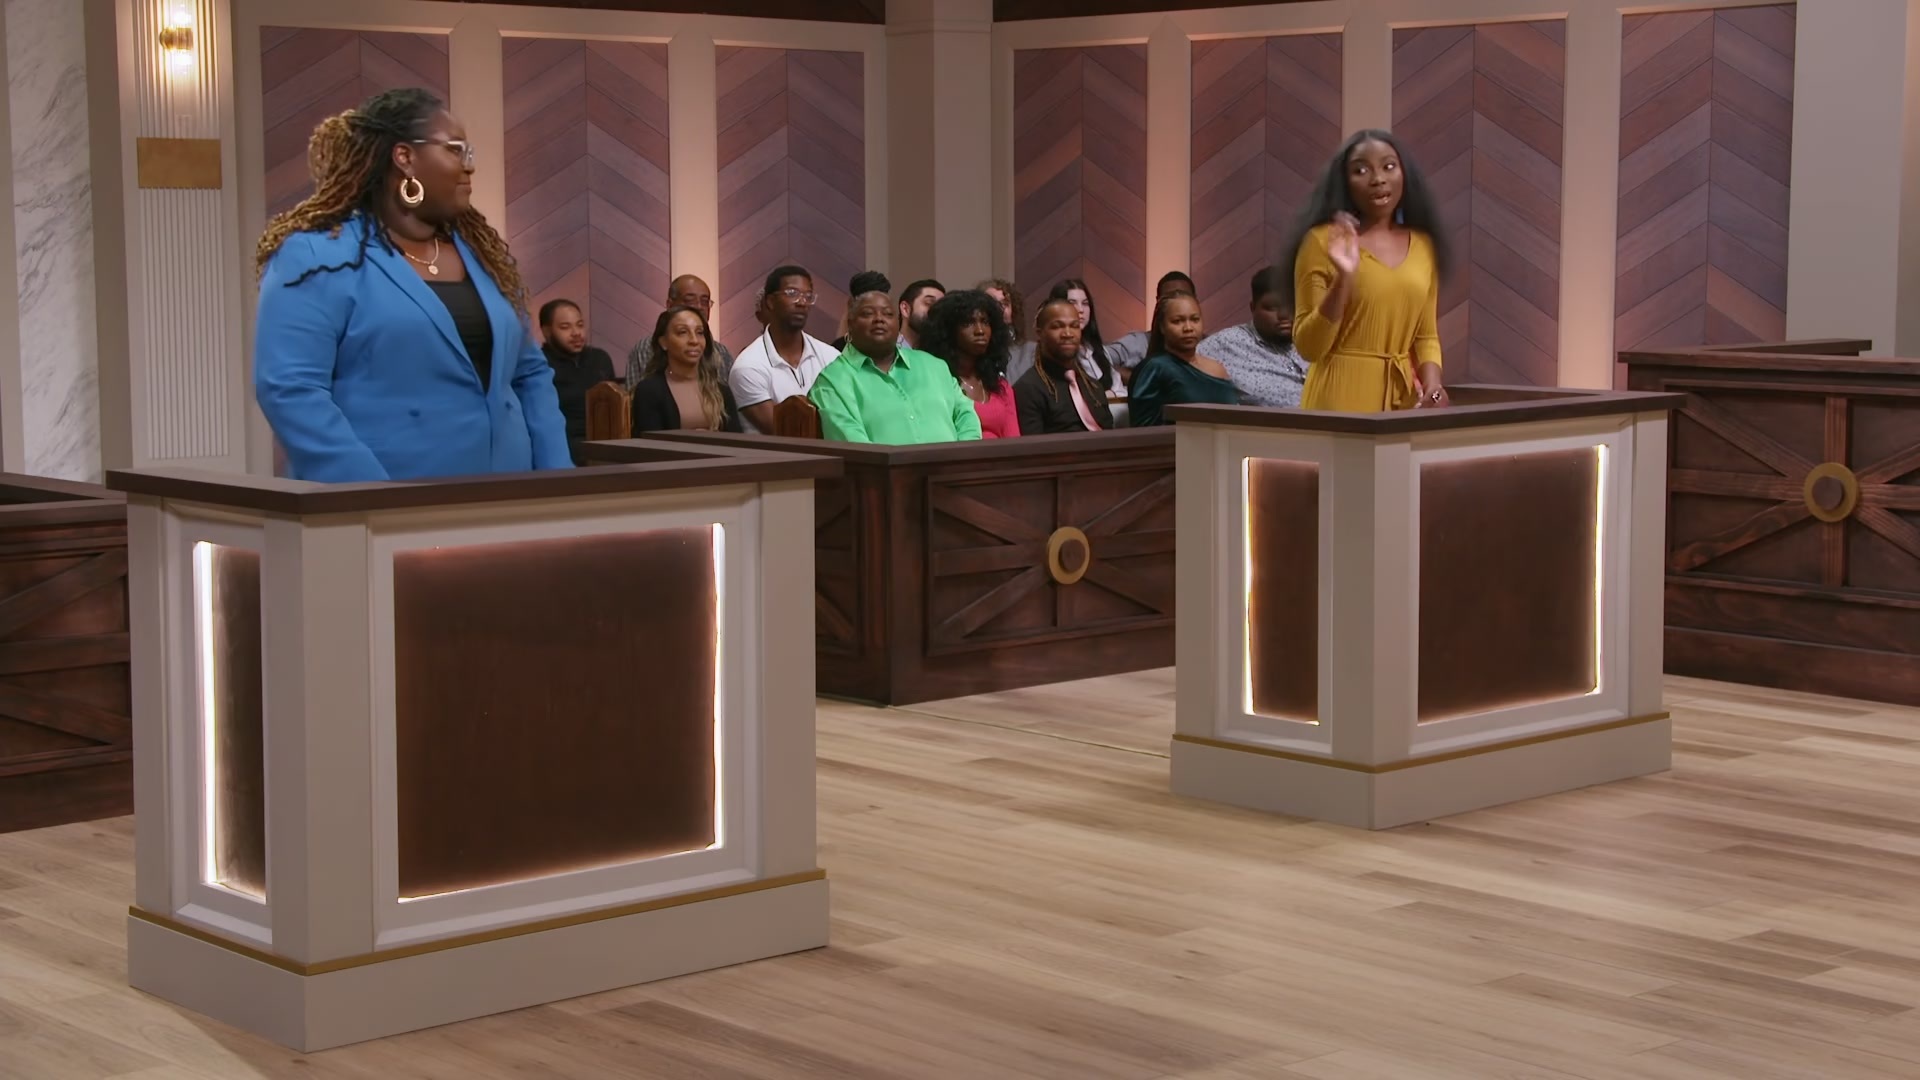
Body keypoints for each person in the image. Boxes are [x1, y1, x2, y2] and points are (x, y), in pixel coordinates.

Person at [254, 88, 570, 482]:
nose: (469, 167)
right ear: (405, 157)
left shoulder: (484, 258)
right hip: (384, 499)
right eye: (455, 150)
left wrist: (559, 477)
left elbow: (530, 374)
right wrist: (375, 498)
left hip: (506, 494)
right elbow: (291, 389)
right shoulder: (317, 254)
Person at [1283, 129, 1450, 412]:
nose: (1378, 179)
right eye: (1361, 170)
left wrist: (1433, 387)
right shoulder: (1321, 242)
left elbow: (1425, 336)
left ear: (1404, 174)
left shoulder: (1424, 246)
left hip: (1402, 403)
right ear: (1344, 183)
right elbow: (1309, 347)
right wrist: (1344, 278)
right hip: (1337, 400)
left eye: (1389, 166)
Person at [810, 291, 982, 444]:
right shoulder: (833, 380)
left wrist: (962, 459)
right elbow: (853, 445)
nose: (879, 319)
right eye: (868, 313)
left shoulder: (934, 365)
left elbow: (966, 416)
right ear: (851, 324)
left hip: (952, 469)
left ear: (898, 323)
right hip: (882, 471)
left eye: (888, 314)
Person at [728, 265, 837, 433]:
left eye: (808, 296)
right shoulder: (749, 366)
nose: (802, 302)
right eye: (792, 294)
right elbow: (783, 432)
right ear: (770, 302)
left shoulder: (831, 357)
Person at [1196, 267, 1309, 408]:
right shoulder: (1225, 344)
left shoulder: (1315, 338)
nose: (1284, 315)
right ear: (1253, 308)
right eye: (1272, 307)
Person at [1127, 294, 1239, 427]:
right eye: (1177, 321)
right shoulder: (1154, 368)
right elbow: (1144, 431)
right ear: (1162, 327)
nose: (1188, 328)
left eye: (1195, 319)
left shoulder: (1217, 367)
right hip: (1179, 440)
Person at [919, 290, 1018, 438]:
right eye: (968, 323)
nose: (980, 331)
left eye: (985, 322)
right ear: (948, 331)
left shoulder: (1001, 387)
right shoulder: (935, 383)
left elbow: (1014, 442)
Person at [629, 306, 741, 434]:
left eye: (700, 333)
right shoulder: (649, 390)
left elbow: (738, 439)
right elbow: (649, 443)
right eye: (682, 332)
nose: (694, 340)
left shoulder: (720, 390)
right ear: (663, 342)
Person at [1014, 298, 1114, 435]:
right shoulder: (1028, 389)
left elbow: (1110, 436)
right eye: (1057, 326)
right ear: (1040, 333)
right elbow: (1033, 446)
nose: (1068, 334)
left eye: (1074, 326)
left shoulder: (1093, 386)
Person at [539, 299, 617, 464]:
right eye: (565, 327)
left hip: (605, 445)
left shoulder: (600, 359)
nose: (576, 333)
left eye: (580, 325)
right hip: (560, 448)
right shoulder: (540, 365)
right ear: (547, 331)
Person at [625, 274, 734, 387]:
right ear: (670, 305)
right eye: (690, 300)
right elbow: (635, 395)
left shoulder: (721, 353)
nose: (699, 307)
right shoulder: (645, 349)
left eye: (705, 301)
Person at [1105, 271, 1195, 381]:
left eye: (1184, 297)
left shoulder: (1208, 345)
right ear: (1158, 303)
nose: (1178, 305)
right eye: (1170, 298)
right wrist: (1139, 380)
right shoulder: (1138, 342)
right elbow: (1094, 361)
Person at [832, 270, 892, 351]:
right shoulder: (836, 352)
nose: (879, 319)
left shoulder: (898, 351)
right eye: (869, 312)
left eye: (885, 312)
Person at [897, 279, 945, 350]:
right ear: (905, 309)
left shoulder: (940, 353)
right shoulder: (887, 350)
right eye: (929, 303)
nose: (937, 310)